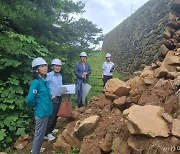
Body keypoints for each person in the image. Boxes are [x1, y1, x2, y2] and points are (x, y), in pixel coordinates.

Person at [26, 57, 53, 154]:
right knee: (39, 135)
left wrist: (50, 97)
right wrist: (36, 106)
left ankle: (37, 149)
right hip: (41, 113)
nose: (45, 68)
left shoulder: (43, 81)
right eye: (42, 66)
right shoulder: (36, 82)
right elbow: (30, 99)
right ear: (37, 69)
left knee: (41, 134)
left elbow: (43, 95)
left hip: (45, 111)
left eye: (45, 65)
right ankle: (35, 151)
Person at [44, 58, 62, 141]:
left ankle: (52, 129)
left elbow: (59, 86)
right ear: (52, 67)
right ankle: (47, 133)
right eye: (56, 66)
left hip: (59, 97)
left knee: (56, 115)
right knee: (51, 116)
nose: (58, 67)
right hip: (52, 98)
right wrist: (50, 95)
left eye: (59, 66)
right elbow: (45, 87)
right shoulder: (48, 75)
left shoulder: (60, 76)